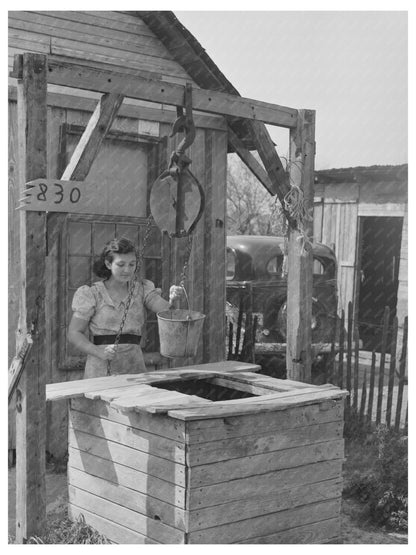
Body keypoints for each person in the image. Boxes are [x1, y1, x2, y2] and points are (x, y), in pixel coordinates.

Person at [68, 237, 182, 378]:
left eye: (132, 264)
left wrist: (173, 299)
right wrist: (99, 352)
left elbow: (168, 313)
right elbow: (74, 333)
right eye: (121, 264)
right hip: (100, 369)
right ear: (108, 264)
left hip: (134, 367)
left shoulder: (142, 290)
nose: (127, 270)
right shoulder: (91, 294)